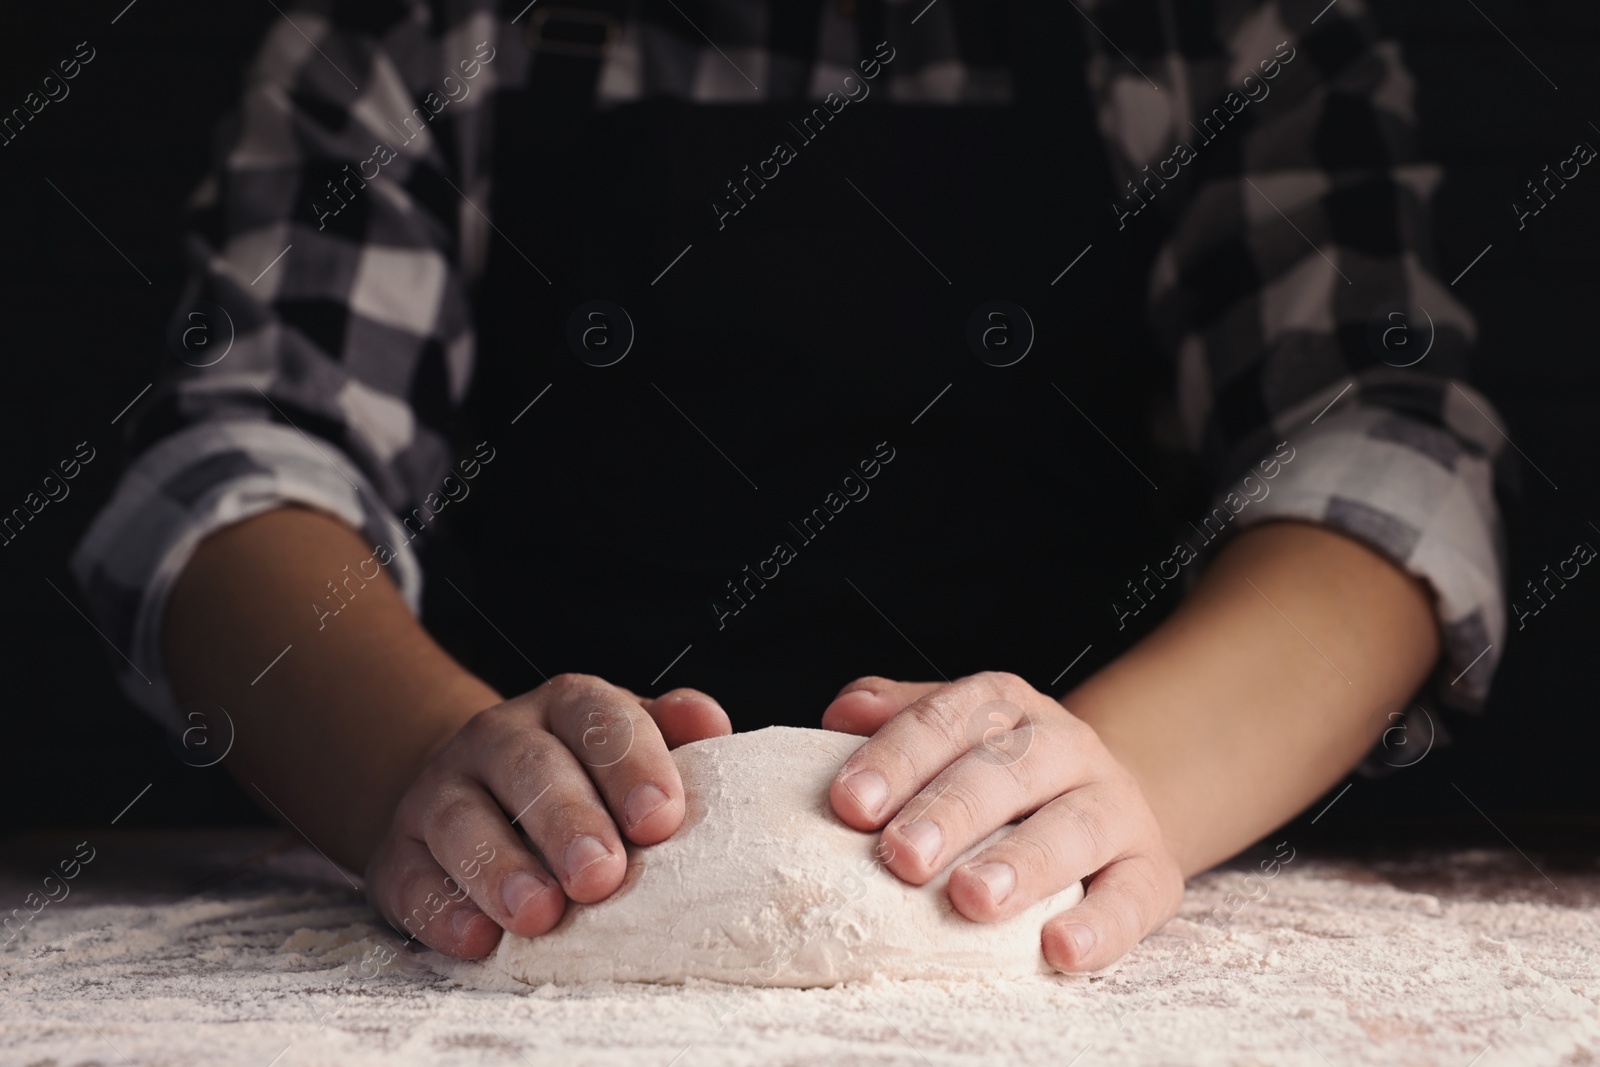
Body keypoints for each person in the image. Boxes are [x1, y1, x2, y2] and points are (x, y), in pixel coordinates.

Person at [72, 0, 1507, 972]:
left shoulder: (1207, 30)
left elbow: (1382, 453)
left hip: (1042, 918)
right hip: (539, 909)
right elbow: (235, 458)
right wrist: (414, 769)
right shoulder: (422, 34)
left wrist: (1123, 779)